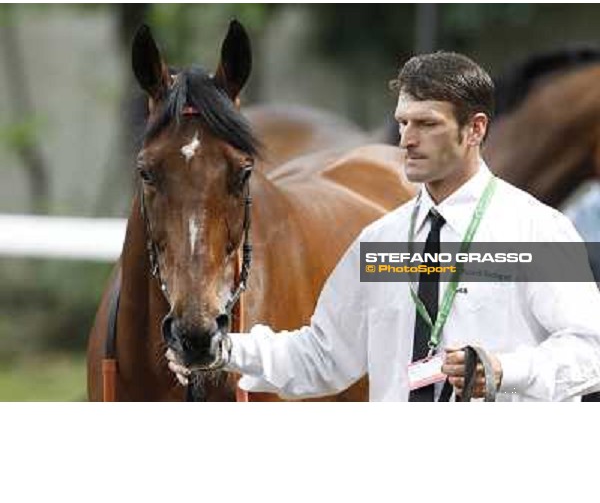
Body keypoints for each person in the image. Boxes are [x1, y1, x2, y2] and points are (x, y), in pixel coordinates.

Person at [167, 52, 600, 401]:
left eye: (427, 124)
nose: (407, 140)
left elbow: (591, 351)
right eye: (403, 123)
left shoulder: (537, 230)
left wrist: (506, 370)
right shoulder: (380, 241)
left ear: (475, 130)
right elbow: (322, 356)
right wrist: (223, 350)